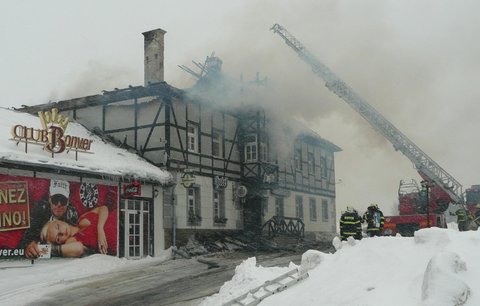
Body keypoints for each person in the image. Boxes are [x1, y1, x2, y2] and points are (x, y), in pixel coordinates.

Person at [20, 179, 79, 258]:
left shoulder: (72, 214)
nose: (59, 205)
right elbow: (28, 238)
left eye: (63, 200)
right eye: (55, 199)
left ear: (68, 201)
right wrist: (29, 245)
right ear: (49, 198)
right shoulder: (40, 210)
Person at [40, 205, 113, 257]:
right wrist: (42, 251)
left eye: (58, 227)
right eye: (58, 238)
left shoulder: (81, 219)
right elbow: (79, 249)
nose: (62, 232)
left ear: (58, 220)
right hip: (120, 242)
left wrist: (100, 228)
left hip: (121, 218)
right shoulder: (72, 241)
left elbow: (103, 208)